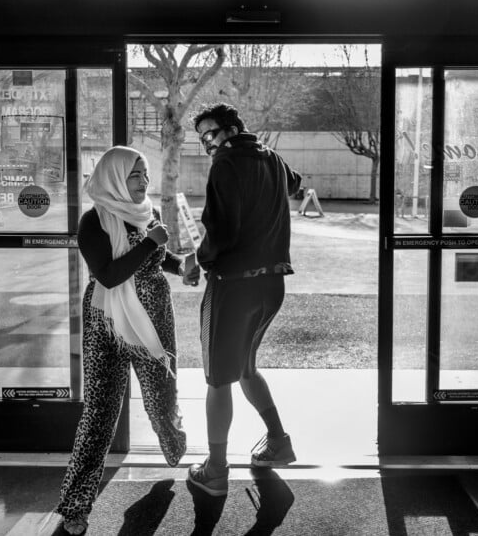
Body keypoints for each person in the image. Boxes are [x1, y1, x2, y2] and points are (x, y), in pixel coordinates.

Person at [55, 146, 188, 534]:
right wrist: (150, 243)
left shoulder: (149, 213)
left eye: (146, 174)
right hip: (105, 322)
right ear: (113, 176)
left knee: (161, 398)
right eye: (135, 174)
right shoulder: (93, 221)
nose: (144, 182)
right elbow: (109, 275)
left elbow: (157, 258)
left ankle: (173, 441)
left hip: (153, 316)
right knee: (98, 414)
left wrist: (181, 266)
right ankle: (76, 505)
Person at [184, 103, 302, 497]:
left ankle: (215, 470)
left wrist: (198, 260)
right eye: (202, 138)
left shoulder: (226, 163)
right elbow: (294, 183)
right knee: (246, 367)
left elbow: (220, 230)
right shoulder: (272, 157)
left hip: (233, 286)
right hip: (272, 286)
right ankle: (278, 443)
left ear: (232, 129)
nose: (208, 144)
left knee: (219, 379)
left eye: (212, 134)